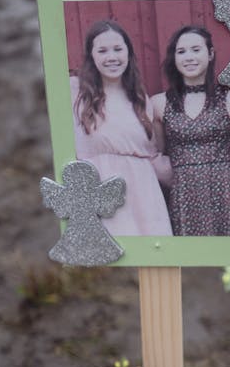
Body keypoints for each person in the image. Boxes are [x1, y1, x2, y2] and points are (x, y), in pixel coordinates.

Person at [70, 20, 171, 237]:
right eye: (103, 50)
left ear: (128, 53)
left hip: (144, 195)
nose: (112, 57)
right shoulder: (75, 92)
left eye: (118, 49)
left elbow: (151, 155)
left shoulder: (140, 98)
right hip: (100, 189)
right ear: (92, 56)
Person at [151, 25, 230, 237]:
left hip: (226, 192)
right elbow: (157, 157)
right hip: (184, 195)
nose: (189, 57)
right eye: (181, 51)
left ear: (210, 54)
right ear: (174, 58)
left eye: (196, 50)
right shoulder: (159, 104)